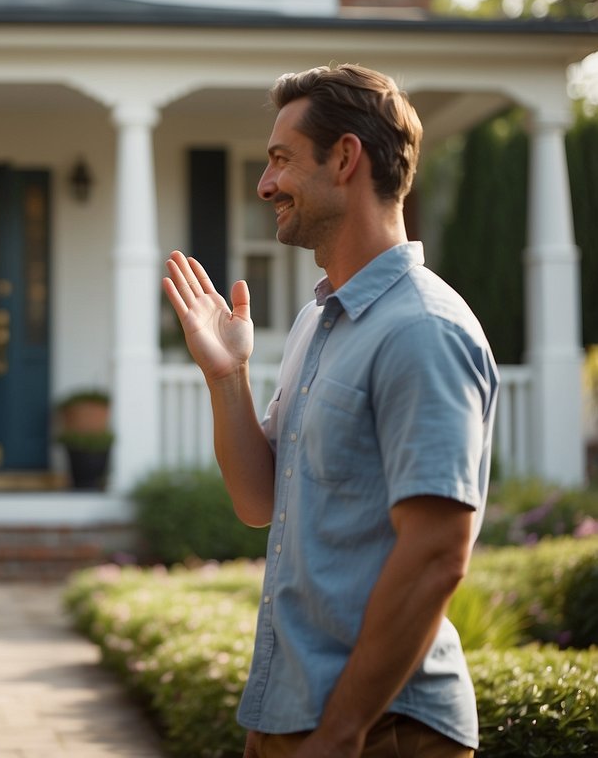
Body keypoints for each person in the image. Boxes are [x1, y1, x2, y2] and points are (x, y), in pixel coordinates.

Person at [162, 64, 498, 758]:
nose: (264, 185)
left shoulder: (421, 328)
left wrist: (340, 730)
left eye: (281, 160)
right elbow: (258, 500)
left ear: (344, 158)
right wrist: (226, 376)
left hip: (382, 729)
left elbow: (437, 551)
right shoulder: (320, 323)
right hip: (295, 716)